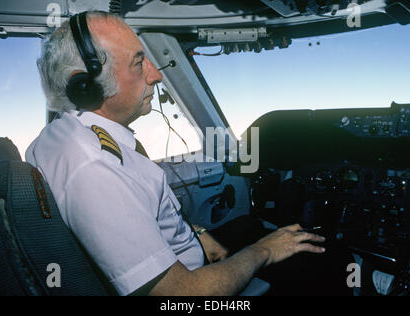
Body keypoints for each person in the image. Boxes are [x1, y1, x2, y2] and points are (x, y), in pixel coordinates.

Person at [26, 11, 326, 296]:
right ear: (87, 86)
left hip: (183, 259)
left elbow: (144, 217)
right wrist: (266, 250)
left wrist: (195, 231)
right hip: (189, 285)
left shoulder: (60, 136)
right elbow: (181, 295)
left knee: (250, 226)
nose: (156, 75)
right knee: (318, 263)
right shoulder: (95, 169)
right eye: (138, 63)